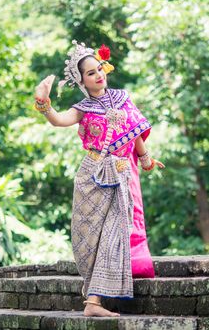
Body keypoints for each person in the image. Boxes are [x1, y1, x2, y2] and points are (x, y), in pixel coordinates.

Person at [34, 40, 165, 317]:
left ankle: (93, 303)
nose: (98, 75)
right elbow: (59, 120)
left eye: (99, 69)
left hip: (119, 175)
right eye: (91, 73)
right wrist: (44, 102)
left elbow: (136, 131)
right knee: (91, 239)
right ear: (82, 81)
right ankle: (92, 301)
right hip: (91, 176)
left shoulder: (123, 98)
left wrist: (145, 159)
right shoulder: (82, 108)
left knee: (114, 233)